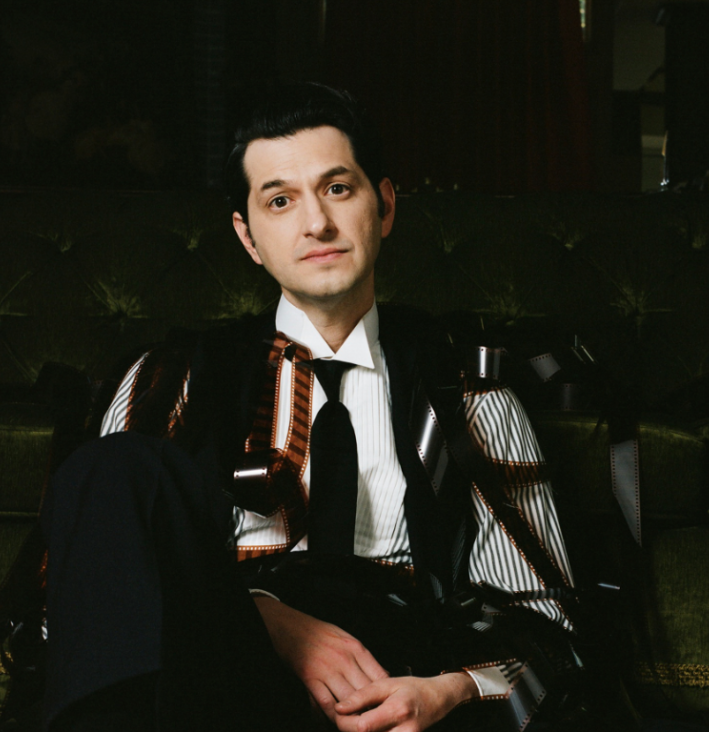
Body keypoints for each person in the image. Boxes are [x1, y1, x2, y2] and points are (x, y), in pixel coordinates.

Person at [43, 82, 578, 732]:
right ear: (247, 236)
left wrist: (449, 692)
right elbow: (91, 604)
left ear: (385, 206)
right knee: (115, 466)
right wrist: (270, 619)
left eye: (338, 189)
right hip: (216, 679)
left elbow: (545, 621)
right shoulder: (170, 381)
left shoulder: (470, 394)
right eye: (280, 200)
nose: (316, 223)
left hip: (401, 679)